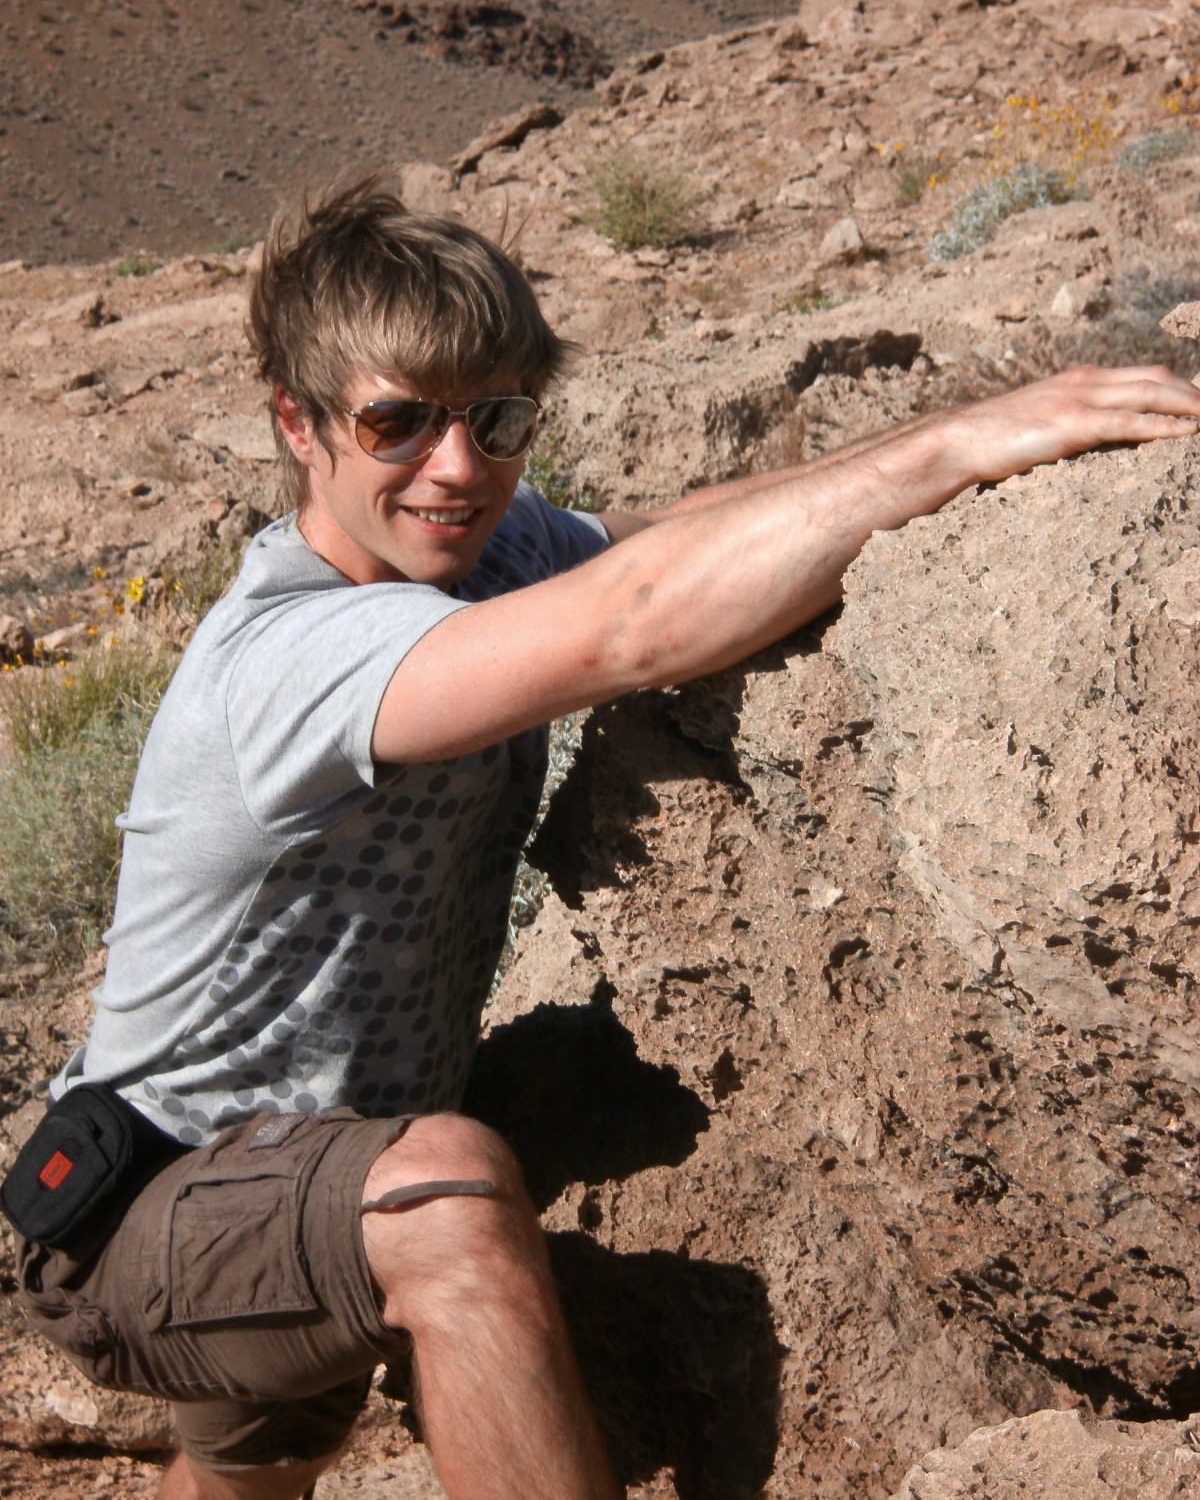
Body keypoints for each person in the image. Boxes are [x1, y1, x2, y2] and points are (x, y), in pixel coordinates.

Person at [10, 176, 1200, 1500]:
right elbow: (631, 621)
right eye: (398, 422)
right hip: (146, 1213)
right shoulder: (295, 654)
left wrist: (969, 428)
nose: (457, 470)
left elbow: (669, 537)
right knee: (453, 1206)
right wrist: (949, 455)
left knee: (254, 1471)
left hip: (317, 1163)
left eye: (499, 419)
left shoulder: (474, 551)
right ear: (297, 423)